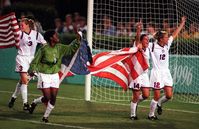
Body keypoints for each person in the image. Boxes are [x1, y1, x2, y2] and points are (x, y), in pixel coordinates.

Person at [28, 30, 81, 123]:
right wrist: (32, 70)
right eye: (56, 35)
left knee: (53, 98)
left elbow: (70, 49)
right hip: (44, 75)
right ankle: (35, 102)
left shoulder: (60, 47)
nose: (58, 36)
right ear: (51, 38)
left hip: (55, 75)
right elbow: (35, 61)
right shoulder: (43, 49)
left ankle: (45, 117)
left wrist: (77, 40)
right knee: (47, 98)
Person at [148, 16, 186, 120]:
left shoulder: (166, 45)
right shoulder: (151, 46)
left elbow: (175, 34)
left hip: (166, 73)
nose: (168, 38)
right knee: (155, 96)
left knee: (169, 95)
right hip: (156, 73)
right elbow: (141, 44)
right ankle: (151, 114)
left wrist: (182, 24)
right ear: (161, 39)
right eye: (165, 37)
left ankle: (160, 103)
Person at [8, 16, 47, 110]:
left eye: (22, 24)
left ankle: (13, 97)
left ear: (27, 25)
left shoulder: (36, 34)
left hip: (32, 60)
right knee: (25, 81)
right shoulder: (19, 33)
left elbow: (44, 44)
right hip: (21, 58)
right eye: (19, 24)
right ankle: (25, 104)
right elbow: (14, 31)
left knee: (23, 81)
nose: (20, 26)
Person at [129, 22, 150, 120]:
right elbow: (137, 39)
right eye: (145, 39)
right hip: (137, 74)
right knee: (136, 96)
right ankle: (133, 114)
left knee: (146, 95)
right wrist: (138, 30)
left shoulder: (148, 49)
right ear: (141, 41)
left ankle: (134, 102)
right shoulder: (137, 46)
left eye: (148, 40)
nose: (147, 41)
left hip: (145, 74)